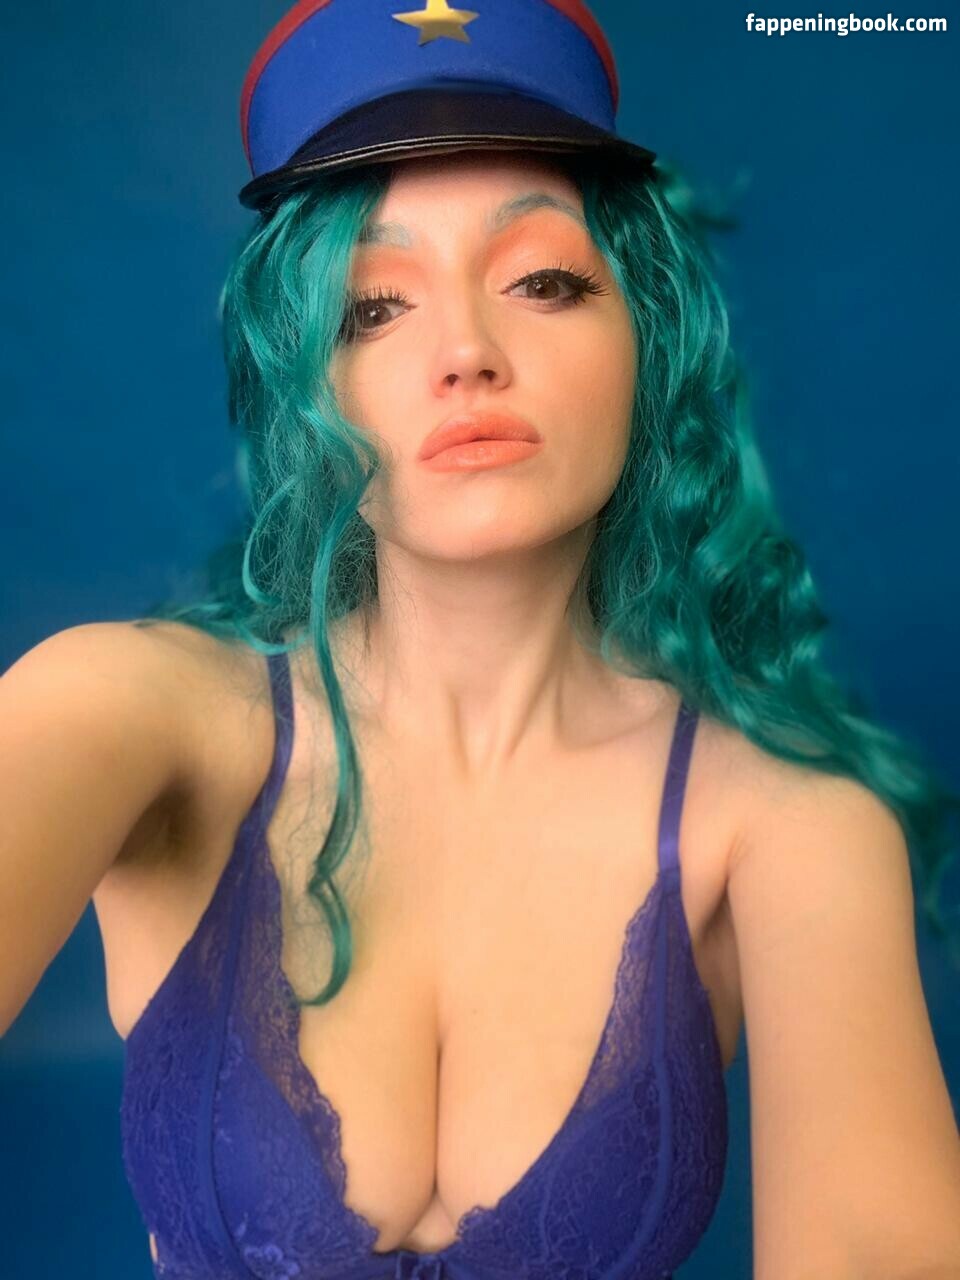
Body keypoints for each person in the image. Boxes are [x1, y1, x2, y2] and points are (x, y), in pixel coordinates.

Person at [3, 1, 960, 1277]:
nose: (466, 351)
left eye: (543, 281)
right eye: (371, 307)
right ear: (302, 381)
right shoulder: (123, 712)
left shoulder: (792, 828)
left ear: (650, 338)